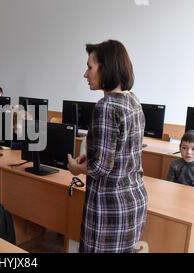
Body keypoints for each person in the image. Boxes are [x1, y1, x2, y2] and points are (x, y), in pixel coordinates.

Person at [67, 40, 148, 253]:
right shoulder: (133, 100)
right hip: (133, 200)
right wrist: (92, 157)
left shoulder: (107, 106)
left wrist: (77, 168)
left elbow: (101, 169)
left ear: (106, 68)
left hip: (109, 207)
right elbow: (121, 152)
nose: (85, 74)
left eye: (90, 67)